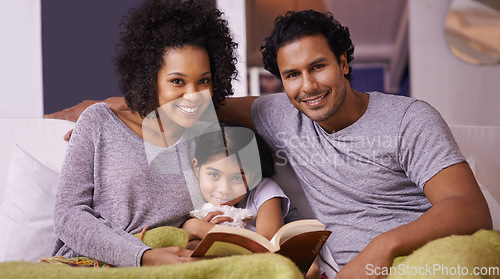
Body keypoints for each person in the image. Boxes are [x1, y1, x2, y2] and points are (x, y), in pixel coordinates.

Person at [47, 9, 492, 278]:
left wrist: (379, 250)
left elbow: (471, 209)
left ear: (344, 63)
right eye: (292, 75)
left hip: (414, 254)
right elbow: (193, 103)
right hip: (144, 255)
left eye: (318, 67)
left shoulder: (410, 118)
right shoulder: (282, 112)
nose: (307, 87)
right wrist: (113, 102)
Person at [51, 0, 238, 267]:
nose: (194, 95)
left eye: (204, 80)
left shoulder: (206, 137)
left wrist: (195, 228)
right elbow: (68, 217)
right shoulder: (99, 123)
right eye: (177, 81)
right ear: (150, 78)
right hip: (92, 264)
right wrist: (144, 257)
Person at [183, 122, 290, 242]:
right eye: (214, 175)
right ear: (196, 168)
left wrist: (199, 228)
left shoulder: (264, 190)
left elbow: (266, 246)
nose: (224, 189)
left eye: (237, 178)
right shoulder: (188, 196)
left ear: (253, 175)